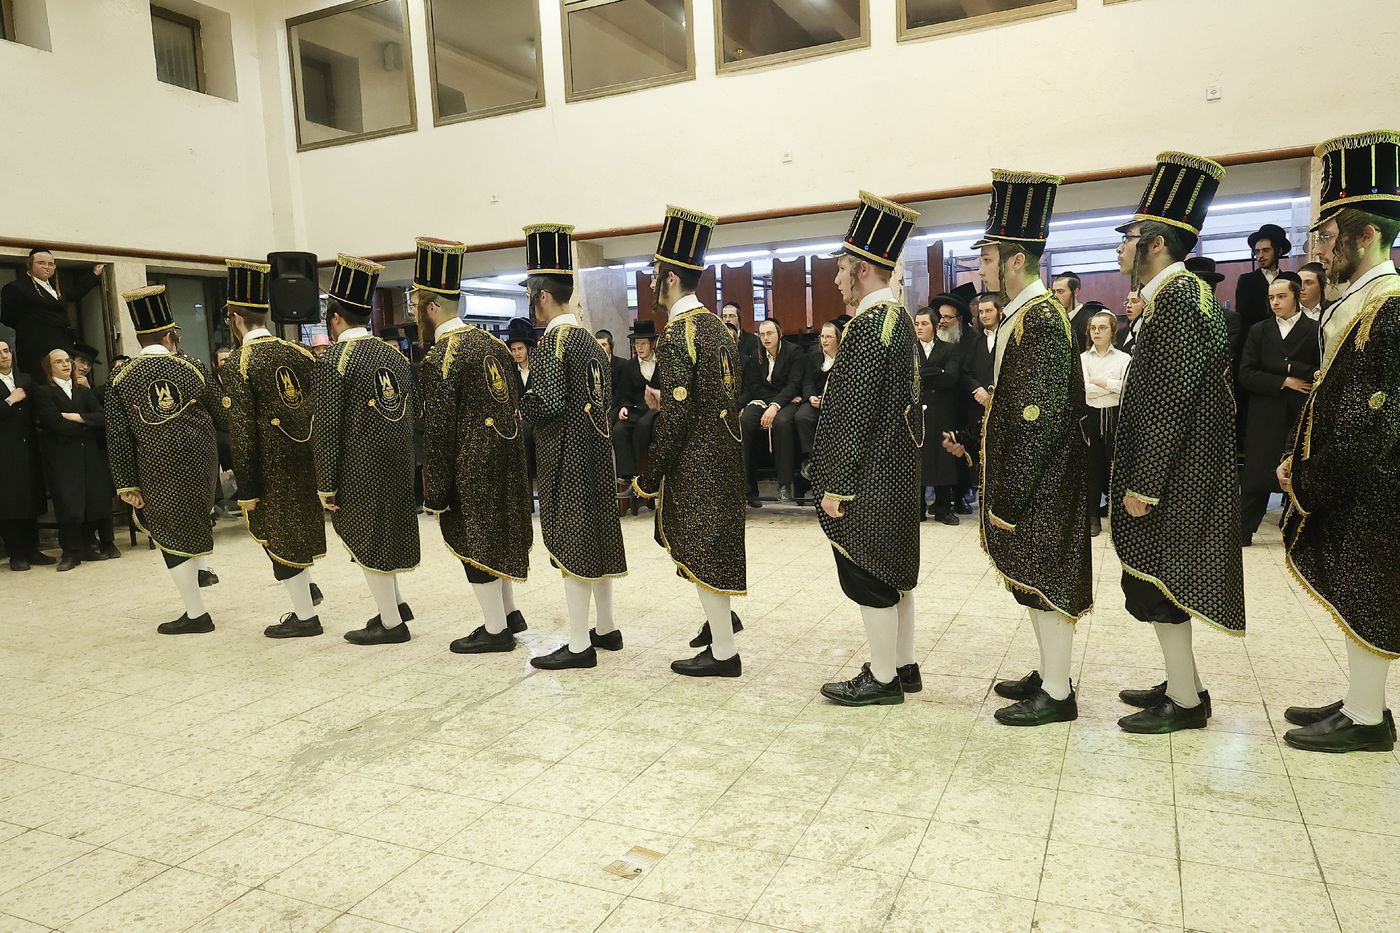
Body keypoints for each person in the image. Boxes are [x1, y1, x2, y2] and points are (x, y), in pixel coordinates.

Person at [943, 170, 1092, 726]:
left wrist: (1010, 489)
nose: (980, 269)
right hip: (1032, 475)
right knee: (1034, 575)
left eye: (986, 259)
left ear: (1012, 261)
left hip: (1044, 479)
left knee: (1049, 575)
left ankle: (1057, 691)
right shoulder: (1025, 315)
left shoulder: (1042, 320)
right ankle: (1049, 671)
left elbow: (1038, 420)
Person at [1110, 152, 1244, 733]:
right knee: (1159, 580)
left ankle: (1186, 703)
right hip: (1183, 468)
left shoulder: (1178, 303)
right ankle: (1183, 683)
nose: (1121, 249)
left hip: (1174, 474)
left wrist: (1144, 484)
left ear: (1156, 245)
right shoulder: (1177, 298)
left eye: (1130, 238)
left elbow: (1167, 403)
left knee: (1161, 582)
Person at [1279, 129, 1400, 754]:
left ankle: (1369, 719)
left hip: (1374, 483)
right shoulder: (1360, 300)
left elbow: (1373, 422)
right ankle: (1361, 699)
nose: (1319, 253)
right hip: (1351, 476)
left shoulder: (1389, 307)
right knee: (1357, 587)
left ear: (1364, 237)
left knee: (1371, 588)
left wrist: (1310, 477)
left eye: (1327, 238)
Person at [811, 191, 923, 706]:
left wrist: (836, 483)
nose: (836, 279)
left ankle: (881, 679)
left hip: (869, 475)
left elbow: (853, 415)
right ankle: (901, 664)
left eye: (840, 269)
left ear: (860, 269)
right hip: (893, 469)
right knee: (893, 570)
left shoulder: (865, 329)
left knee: (869, 573)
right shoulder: (896, 319)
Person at [633, 205, 747, 677]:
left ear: (671, 278)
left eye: (656, 274)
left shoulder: (679, 333)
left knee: (700, 549)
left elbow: (679, 416)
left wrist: (650, 473)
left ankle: (723, 652)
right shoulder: (718, 327)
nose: (652, 284)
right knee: (712, 548)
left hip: (695, 462)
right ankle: (719, 633)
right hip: (724, 453)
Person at [518, 223, 629, 669]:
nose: (530, 300)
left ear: (542, 294)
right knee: (598, 538)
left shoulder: (553, 343)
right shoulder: (586, 339)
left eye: (530, 292)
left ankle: (580, 644)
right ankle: (607, 628)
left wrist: (517, 399)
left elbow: (543, 403)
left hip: (566, 457)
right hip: (597, 454)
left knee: (573, 544)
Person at [414, 237, 532, 654]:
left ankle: (496, 629)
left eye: (415, 307)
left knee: (474, 541)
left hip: (471, 463)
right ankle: (510, 612)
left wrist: (437, 491)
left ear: (432, 307)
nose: (414, 315)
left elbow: (440, 430)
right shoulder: (493, 345)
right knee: (498, 535)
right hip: (507, 455)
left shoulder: (441, 357)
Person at [313, 254, 420, 645]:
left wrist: (326, 483)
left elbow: (326, 428)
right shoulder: (394, 355)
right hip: (397, 460)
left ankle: (391, 623)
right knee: (386, 533)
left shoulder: (336, 360)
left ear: (336, 317)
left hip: (358, 466)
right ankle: (394, 604)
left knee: (366, 537)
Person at [219, 259, 329, 638]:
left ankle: (305, 616)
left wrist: (245, 489)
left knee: (278, 535)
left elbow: (243, 432)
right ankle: (307, 588)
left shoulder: (239, 364)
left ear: (235, 317)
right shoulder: (299, 353)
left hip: (270, 466)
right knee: (298, 529)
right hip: (306, 456)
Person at [104, 285, 220, 633]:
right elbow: (221, 412)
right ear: (170, 336)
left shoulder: (120, 377)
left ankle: (196, 614)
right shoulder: (194, 367)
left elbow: (117, 435)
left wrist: (126, 482)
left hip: (156, 466)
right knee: (195, 521)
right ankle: (199, 571)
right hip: (201, 463)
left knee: (169, 534)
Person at [1238, 271, 1318, 546]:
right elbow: (1246, 374)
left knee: (1299, 472)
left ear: (1297, 296)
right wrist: (1284, 378)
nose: (1275, 302)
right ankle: (1243, 531)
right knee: (1257, 471)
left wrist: (1287, 367)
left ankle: (1296, 533)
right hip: (1265, 411)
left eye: (1282, 296)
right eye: (1271, 297)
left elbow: (1321, 370)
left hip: (1300, 411)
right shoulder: (1259, 330)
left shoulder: (1315, 329)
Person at [33, 347, 114, 571]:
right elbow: (54, 425)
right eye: (59, 362)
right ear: (50, 368)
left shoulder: (84, 392)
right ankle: (71, 552)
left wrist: (77, 417)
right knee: (69, 504)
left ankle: (88, 546)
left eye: (68, 360)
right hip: (62, 457)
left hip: (87, 455)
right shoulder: (43, 393)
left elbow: (102, 418)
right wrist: (85, 425)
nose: (66, 365)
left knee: (91, 500)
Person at [0, 249, 104, 382]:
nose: (47, 267)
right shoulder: (16, 288)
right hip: (37, 349)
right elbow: (8, 318)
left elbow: (74, 294)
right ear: (30, 264)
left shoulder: (56, 286)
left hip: (64, 346)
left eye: (50, 264)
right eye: (41, 263)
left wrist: (94, 275)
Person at [740, 317, 805, 505]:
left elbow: (794, 385)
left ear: (780, 334)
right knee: (745, 421)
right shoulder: (756, 355)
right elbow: (753, 386)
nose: (766, 338)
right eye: (762, 334)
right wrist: (772, 403)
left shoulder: (794, 352)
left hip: (787, 402)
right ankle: (746, 484)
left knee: (782, 423)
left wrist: (776, 405)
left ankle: (784, 484)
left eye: (770, 333)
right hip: (765, 401)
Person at [0, 339, 52, 570]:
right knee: (9, 502)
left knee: (30, 498)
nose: (3, 356)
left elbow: (37, 408)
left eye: (5, 351)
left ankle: (33, 550)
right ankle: (16, 554)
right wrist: (10, 400)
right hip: (4, 452)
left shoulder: (25, 379)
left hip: (28, 447)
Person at [1081, 310, 1131, 537]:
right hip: (1090, 418)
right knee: (1092, 468)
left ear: (1113, 331)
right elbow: (1084, 390)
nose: (1097, 332)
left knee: (1116, 467)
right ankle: (1092, 517)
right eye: (1093, 328)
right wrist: (1111, 385)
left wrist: (1101, 381)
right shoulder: (1082, 359)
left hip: (1115, 416)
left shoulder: (1124, 359)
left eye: (1102, 328)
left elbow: (1126, 389)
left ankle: (1118, 516)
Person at [916, 299, 965, 524]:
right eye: (917, 323)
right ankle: (917, 508)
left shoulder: (949, 349)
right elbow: (908, 379)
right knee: (919, 458)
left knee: (943, 459)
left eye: (924, 323)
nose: (919, 327)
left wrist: (924, 374)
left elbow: (950, 378)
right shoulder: (910, 351)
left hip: (943, 409)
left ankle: (944, 508)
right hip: (917, 410)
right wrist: (936, 371)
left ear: (935, 326)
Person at [795, 316, 845, 483]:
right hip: (815, 398)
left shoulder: (845, 359)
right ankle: (812, 459)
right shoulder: (814, 356)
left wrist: (826, 400)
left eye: (828, 337)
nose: (824, 340)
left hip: (836, 402)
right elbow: (807, 381)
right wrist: (811, 397)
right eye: (822, 337)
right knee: (802, 416)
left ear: (838, 338)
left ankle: (831, 462)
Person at [611, 319, 661, 485]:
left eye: (643, 343)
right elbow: (624, 393)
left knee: (644, 426)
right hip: (636, 409)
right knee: (619, 428)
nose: (639, 347)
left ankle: (646, 473)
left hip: (656, 410)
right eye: (636, 343)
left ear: (652, 344)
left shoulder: (662, 364)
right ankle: (628, 475)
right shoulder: (629, 366)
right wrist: (623, 407)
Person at [1235, 223, 1293, 331]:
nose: (1260, 256)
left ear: (1279, 251)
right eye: (1257, 252)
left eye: (1266, 250)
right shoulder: (1247, 280)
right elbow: (1242, 317)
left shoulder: (1289, 279)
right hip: (1257, 339)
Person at [507, 318, 538, 487]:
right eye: (513, 350)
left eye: (520, 349)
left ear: (527, 349)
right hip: (520, 420)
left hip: (537, 418)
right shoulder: (511, 372)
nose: (517, 353)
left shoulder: (538, 370)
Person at [1052, 271, 1095, 350]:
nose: (1055, 296)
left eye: (1060, 291)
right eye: (1053, 292)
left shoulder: (1089, 321)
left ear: (1075, 292)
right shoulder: (1054, 319)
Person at [1115, 289, 1145, 354]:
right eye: (1127, 301)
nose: (1128, 305)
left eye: (1134, 301)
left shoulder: (1146, 334)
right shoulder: (1121, 332)